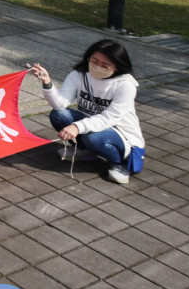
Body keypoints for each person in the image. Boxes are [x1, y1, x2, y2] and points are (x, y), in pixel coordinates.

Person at [30, 40, 145, 185]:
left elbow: (108, 118)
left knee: (94, 138)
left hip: (120, 132)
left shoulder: (125, 85)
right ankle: (86, 151)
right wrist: (47, 82)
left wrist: (77, 127)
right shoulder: (79, 75)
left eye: (105, 65)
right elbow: (60, 104)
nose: (98, 67)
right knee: (59, 114)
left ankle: (118, 164)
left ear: (117, 67)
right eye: (94, 61)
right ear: (88, 58)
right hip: (91, 125)